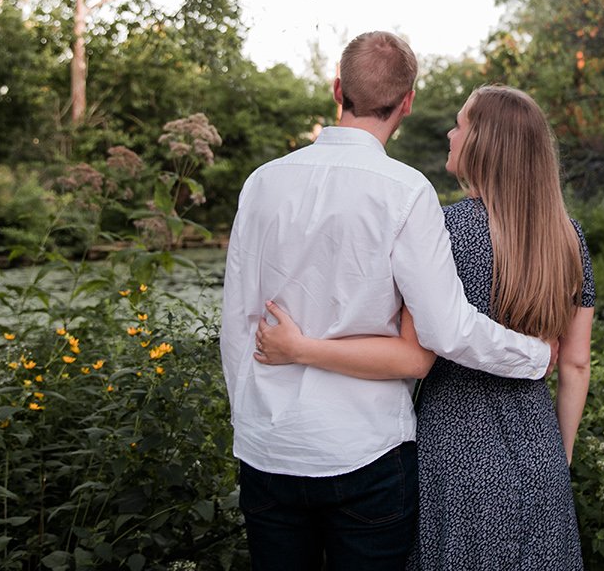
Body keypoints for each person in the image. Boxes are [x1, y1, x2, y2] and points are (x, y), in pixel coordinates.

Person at [219, 33, 554, 571]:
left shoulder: (262, 183)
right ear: (407, 102)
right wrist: (534, 356)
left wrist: (252, 420)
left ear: (337, 89)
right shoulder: (406, 191)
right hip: (366, 450)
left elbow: (236, 323)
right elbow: (445, 329)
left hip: (269, 450)